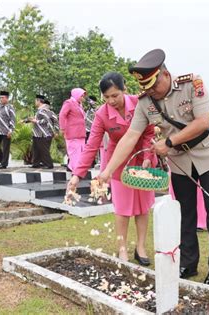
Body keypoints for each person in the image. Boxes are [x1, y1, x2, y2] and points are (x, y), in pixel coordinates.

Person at [99, 49, 209, 286]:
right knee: (185, 213)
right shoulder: (145, 102)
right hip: (180, 162)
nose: (150, 91)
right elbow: (130, 137)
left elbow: (201, 122)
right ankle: (188, 264)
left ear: (165, 75)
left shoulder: (192, 84)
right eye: (145, 87)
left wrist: (168, 142)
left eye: (153, 85)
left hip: (207, 154)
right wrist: (108, 170)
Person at [67, 72, 156, 266]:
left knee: (143, 206)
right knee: (122, 208)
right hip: (117, 162)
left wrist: (148, 156)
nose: (111, 101)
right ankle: (122, 248)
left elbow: (149, 132)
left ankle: (141, 247)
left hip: (142, 158)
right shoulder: (101, 114)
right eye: (106, 97)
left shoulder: (139, 103)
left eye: (115, 95)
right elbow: (91, 146)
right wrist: (77, 175)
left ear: (124, 90)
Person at [59, 88, 87, 171]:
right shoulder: (69, 103)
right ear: (76, 95)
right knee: (74, 153)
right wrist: (62, 128)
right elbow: (62, 115)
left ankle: (73, 167)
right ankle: (76, 171)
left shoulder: (79, 104)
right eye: (82, 96)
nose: (83, 98)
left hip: (80, 133)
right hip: (72, 133)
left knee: (80, 153)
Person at [28, 94, 59, 169]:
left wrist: (36, 121)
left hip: (43, 134)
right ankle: (36, 163)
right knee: (36, 149)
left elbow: (47, 120)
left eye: (36, 101)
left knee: (43, 150)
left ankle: (49, 165)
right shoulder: (40, 110)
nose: (35, 102)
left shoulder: (43, 110)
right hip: (37, 133)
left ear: (39, 101)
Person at [0, 91, 16, 169]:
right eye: (0, 97)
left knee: (6, 148)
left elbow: (13, 119)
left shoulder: (10, 107)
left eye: (3, 98)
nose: (1, 99)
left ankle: (4, 164)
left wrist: (11, 130)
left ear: (7, 98)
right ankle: (2, 161)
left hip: (6, 131)